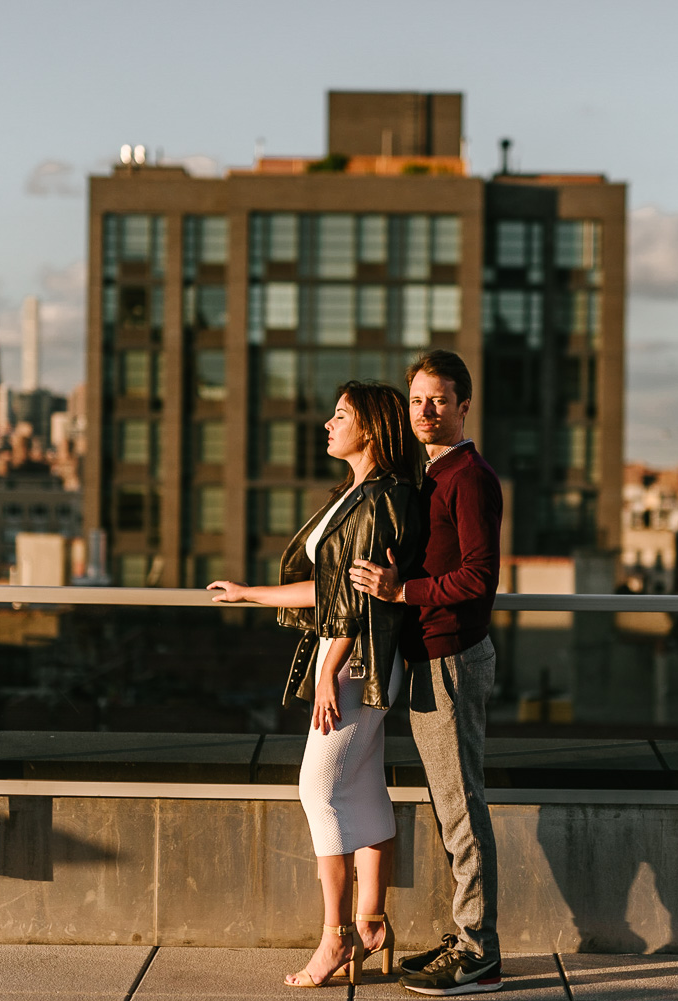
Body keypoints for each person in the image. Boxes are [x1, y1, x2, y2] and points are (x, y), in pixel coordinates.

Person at [208, 380, 421, 989]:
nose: (327, 425)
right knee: (361, 786)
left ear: (373, 429)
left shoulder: (384, 497)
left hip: (355, 658)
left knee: (317, 789)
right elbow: (327, 589)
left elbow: (362, 590)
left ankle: (337, 937)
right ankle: (372, 921)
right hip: (349, 652)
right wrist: (250, 592)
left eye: (340, 415)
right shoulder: (358, 494)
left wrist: (329, 670)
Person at [349, 350, 504, 996]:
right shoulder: (432, 473)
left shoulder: (468, 476)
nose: (424, 411)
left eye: (438, 399)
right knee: (449, 809)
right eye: (416, 400)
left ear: (463, 405)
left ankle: (479, 951)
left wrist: (401, 590)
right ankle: (464, 934)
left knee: (461, 808)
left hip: (451, 659)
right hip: (429, 658)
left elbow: (479, 575)